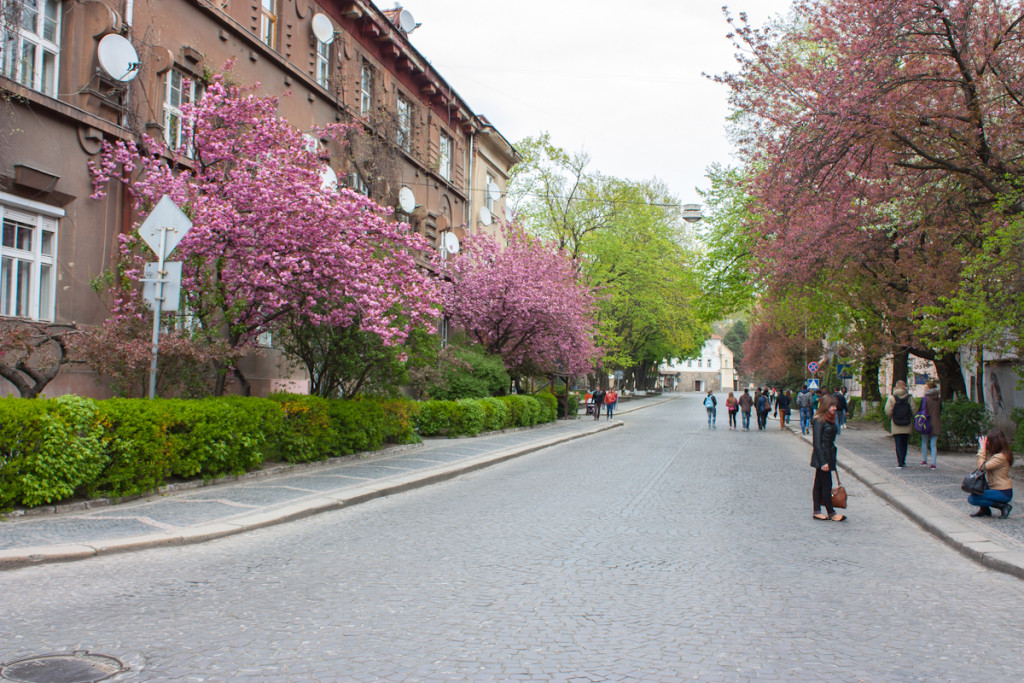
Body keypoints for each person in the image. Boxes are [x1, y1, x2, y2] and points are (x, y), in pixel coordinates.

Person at [810, 393, 845, 521]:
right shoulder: (819, 420)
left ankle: (817, 510)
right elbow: (817, 443)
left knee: (819, 484)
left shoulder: (829, 418)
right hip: (822, 456)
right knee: (826, 484)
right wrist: (823, 462)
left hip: (828, 454)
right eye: (833, 406)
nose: (835, 408)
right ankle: (831, 512)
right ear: (826, 406)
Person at [967, 429, 1014, 519]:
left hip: (1002, 491)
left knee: (973, 499)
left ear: (995, 443)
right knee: (976, 490)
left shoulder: (1001, 457)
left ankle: (1003, 506)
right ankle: (985, 510)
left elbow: (982, 466)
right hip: (994, 488)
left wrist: (982, 449)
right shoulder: (996, 454)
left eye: (989, 442)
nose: (987, 444)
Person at [884, 380, 914, 468]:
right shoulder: (909, 398)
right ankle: (903, 460)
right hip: (907, 423)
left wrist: (892, 416)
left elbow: (887, 410)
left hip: (896, 423)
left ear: (896, 387)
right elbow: (914, 409)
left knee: (898, 442)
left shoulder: (892, 398)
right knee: (905, 442)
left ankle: (899, 461)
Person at [919, 380, 942, 468]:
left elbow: (921, 410)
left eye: (925, 388)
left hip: (926, 422)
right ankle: (933, 463)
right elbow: (940, 411)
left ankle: (924, 460)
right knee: (933, 444)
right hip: (936, 422)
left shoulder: (925, 399)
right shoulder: (938, 399)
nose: (924, 389)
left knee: (924, 442)